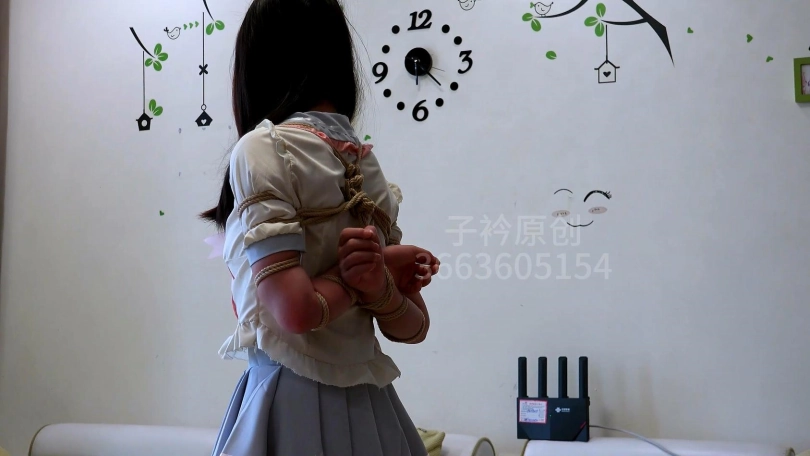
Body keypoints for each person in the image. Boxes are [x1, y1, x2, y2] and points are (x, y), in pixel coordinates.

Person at [198, 0, 440, 455]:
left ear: (255, 66)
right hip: (373, 411)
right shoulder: (369, 170)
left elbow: (293, 314)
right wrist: (377, 279)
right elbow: (413, 326)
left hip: (291, 401)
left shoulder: (265, 149)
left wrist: (365, 276)